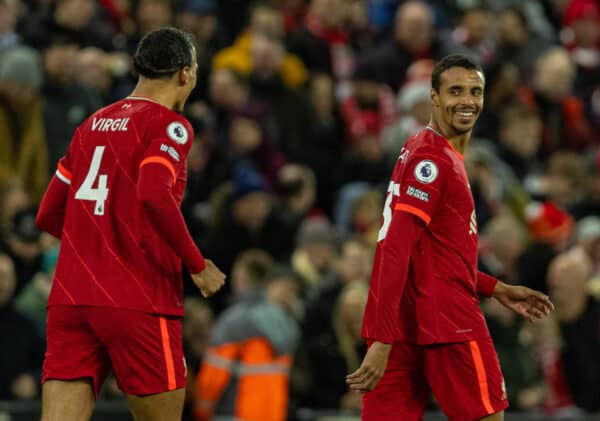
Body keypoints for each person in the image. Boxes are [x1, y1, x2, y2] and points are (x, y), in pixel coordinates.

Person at [345, 54, 555, 421]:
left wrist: (494, 288)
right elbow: (395, 246)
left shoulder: (420, 148)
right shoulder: (434, 160)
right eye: (455, 91)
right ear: (434, 97)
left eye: (475, 91)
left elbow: (428, 256)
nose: (467, 100)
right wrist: (381, 339)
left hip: (405, 320)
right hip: (447, 322)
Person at [35, 27, 226, 421]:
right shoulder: (169, 125)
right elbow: (154, 193)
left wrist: (95, 241)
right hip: (137, 296)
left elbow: (48, 214)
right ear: (184, 74)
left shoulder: (91, 125)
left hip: (71, 296)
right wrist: (198, 266)